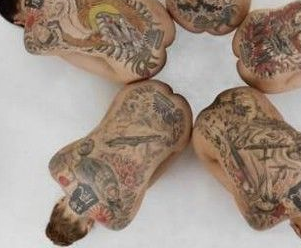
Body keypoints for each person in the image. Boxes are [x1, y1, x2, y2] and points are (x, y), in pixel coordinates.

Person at [46, 80, 192, 246]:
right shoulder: (56, 167)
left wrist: (178, 146)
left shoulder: (118, 222)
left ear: (87, 227)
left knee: (168, 157)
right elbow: (89, 141)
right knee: (103, 129)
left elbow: (149, 179)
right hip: (141, 92)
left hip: (180, 121)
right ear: (58, 204)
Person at [193, 87, 301, 248]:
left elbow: (293, 137)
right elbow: (235, 182)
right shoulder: (260, 221)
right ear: (298, 231)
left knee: (285, 132)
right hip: (204, 126)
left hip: (241, 96)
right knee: (238, 182)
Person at [0, 0, 175, 83]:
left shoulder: (33, 40)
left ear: (19, 21)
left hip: (148, 66)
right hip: (160, 16)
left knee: (63, 50)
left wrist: (35, 26)